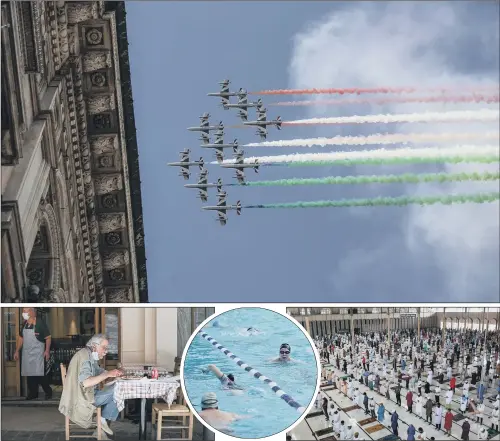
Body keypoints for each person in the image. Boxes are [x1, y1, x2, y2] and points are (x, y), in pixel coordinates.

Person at [58, 334, 123, 437]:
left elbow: (98, 371)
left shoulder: (88, 355)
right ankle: (101, 423)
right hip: (81, 399)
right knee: (119, 391)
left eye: (106, 348)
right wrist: (107, 374)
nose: (105, 351)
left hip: (87, 395)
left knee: (116, 389)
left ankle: (101, 427)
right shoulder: (85, 358)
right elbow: (86, 382)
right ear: (94, 345)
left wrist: (111, 374)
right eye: (104, 347)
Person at [14, 308, 52, 400]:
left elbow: (48, 337)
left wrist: (47, 351)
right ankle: (33, 393)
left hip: (38, 354)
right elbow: (21, 338)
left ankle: (48, 392)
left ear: (31, 312)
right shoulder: (24, 324)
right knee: (30, 375)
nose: (23, 313)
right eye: (23, 311)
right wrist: (17, 350)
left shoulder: (39, 323)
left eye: (25, 311)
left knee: (41, 375)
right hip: (27, 354)